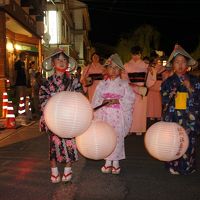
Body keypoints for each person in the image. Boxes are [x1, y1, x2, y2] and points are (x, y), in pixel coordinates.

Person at [39, 49, 82, 183]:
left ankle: (68, 169)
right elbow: (42, 98)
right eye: (59, 60)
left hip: (69, 117)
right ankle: (54, 170)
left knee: (70, 143)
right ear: (53, 63)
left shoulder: (73, 81)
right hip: (53, 117)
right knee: (54, 144)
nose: (62, 62)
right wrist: (53, 103)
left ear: (68, 63)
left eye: (64, 60)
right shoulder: (47, 82)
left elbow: (80, 97)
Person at [92, 53, 135, 174]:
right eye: (111, 67)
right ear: (106, 69)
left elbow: (130, 98)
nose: (114, 70)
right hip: (105, 114)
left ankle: (115, 162)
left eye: (117, 68)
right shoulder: (101, 84)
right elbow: (96, 99)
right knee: (106, 136)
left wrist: (118, 100)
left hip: (118, 115)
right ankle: (107, 162)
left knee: (117, 136)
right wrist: (103, 101)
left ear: (120, 70)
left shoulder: (124, 84)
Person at [161, 44, 200, 175]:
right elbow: (164, 98)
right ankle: (173, 165)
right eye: (177, 62)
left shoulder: (194, 80)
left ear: (187, 64)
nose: (180, 65)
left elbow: (198, 96)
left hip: (190, 116)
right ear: (173, 65)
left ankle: (189, 166)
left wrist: (191, 89)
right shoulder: (168, 81)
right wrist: (169, 96)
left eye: (183, 62)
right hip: (174, 116)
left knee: (189, 141)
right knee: (174, 141)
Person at [122, 45, 151, 135]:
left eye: (137, 54)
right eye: (134, 54)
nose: (135, 57)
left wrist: (151, 72)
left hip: (141, 89)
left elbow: (150, 78)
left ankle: (140, 128)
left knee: (141, 110)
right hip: (131, 89)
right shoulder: (126, 65)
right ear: (131, 54)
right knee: (130, 109)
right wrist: (130, 85)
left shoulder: (146, 66)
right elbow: (124, 77)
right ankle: (129, 128)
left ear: (140, 55)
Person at [146, 51, 170, 126]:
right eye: (157, 58)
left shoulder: (156, 66)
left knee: (157, 100)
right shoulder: (149, 66)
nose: (158, 59)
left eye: (158, 58)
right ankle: (153, 115)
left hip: (157, 83)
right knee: (153, 99)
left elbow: (165, 73)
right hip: (154, 84)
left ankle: (155, 115)